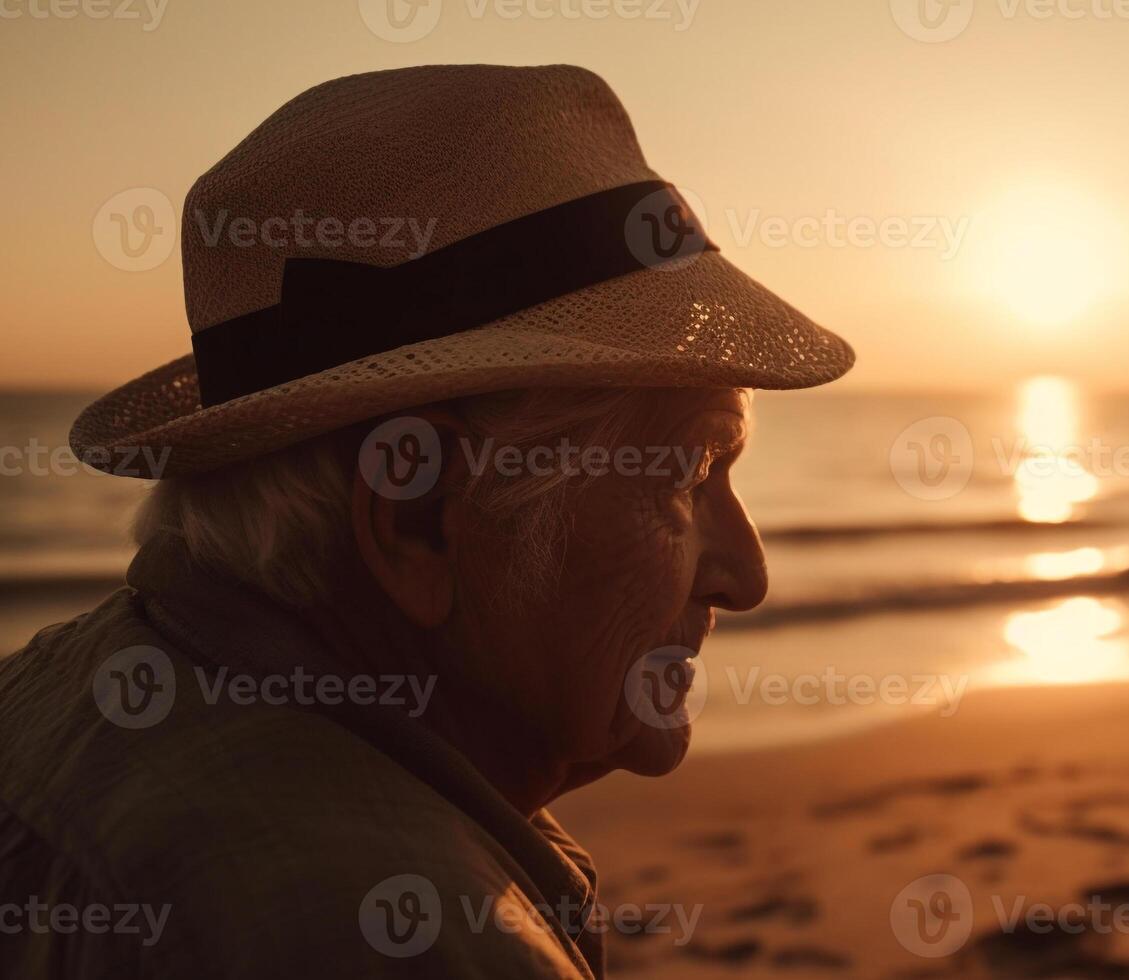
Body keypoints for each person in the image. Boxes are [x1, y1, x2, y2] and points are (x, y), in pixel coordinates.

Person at [0, 65, 854, 978]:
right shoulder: (403, 940)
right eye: (686, 472)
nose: (745, 575)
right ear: (415, 516)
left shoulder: (60, 691)